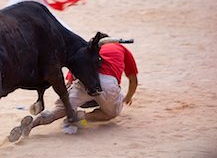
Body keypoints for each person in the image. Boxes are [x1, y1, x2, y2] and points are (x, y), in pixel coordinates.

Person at [8, 35, 138, 142]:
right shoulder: (120, 48)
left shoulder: (85, 51)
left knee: (59, 110)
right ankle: (83, 118)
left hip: (84, 81)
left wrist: (68, 98)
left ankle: (33, 123)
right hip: (108, 85)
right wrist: (128, 97)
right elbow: (133, 80)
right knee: (112, 113)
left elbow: (70, 79)